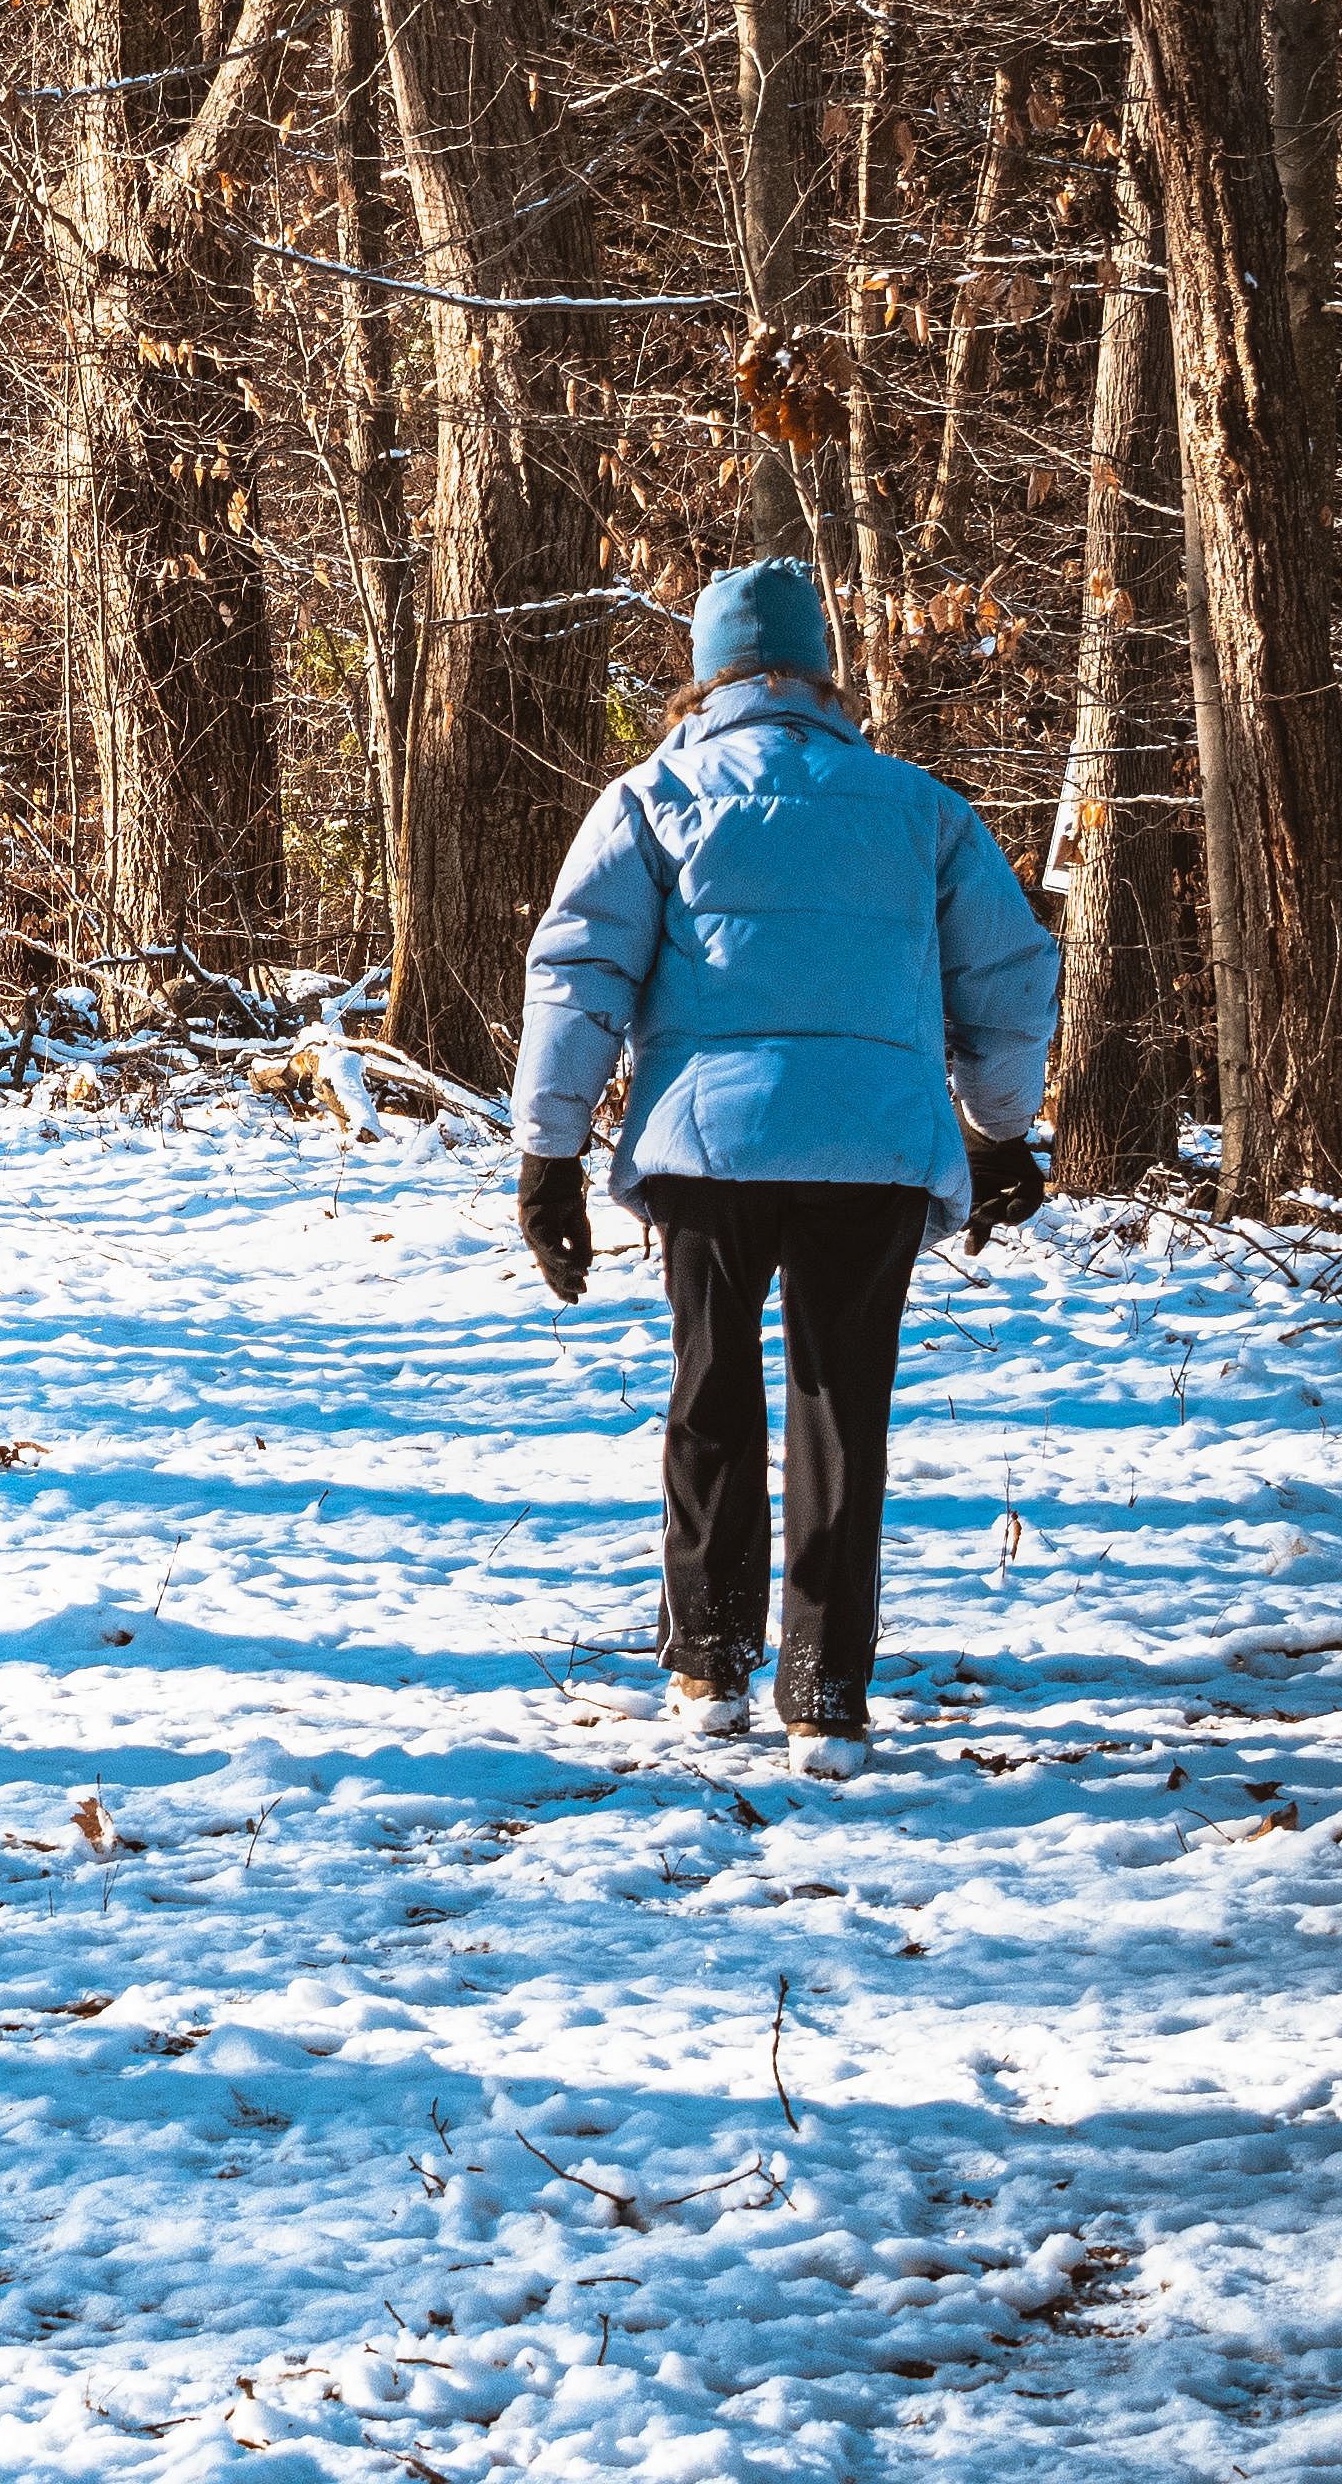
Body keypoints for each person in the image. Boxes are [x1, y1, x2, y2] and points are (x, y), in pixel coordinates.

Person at [506, 557, 1058, 1778]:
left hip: (709, 1145)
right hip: (872, 1147)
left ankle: (707, 1667)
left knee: (710, 1388)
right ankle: (824, 1694)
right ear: (821, 673)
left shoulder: (653, 796)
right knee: (839, 1403)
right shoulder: (918, 808)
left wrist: (546, 1154)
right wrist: (997, 1127)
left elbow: (578, 975)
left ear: (704, 678)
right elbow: (1008, 980)